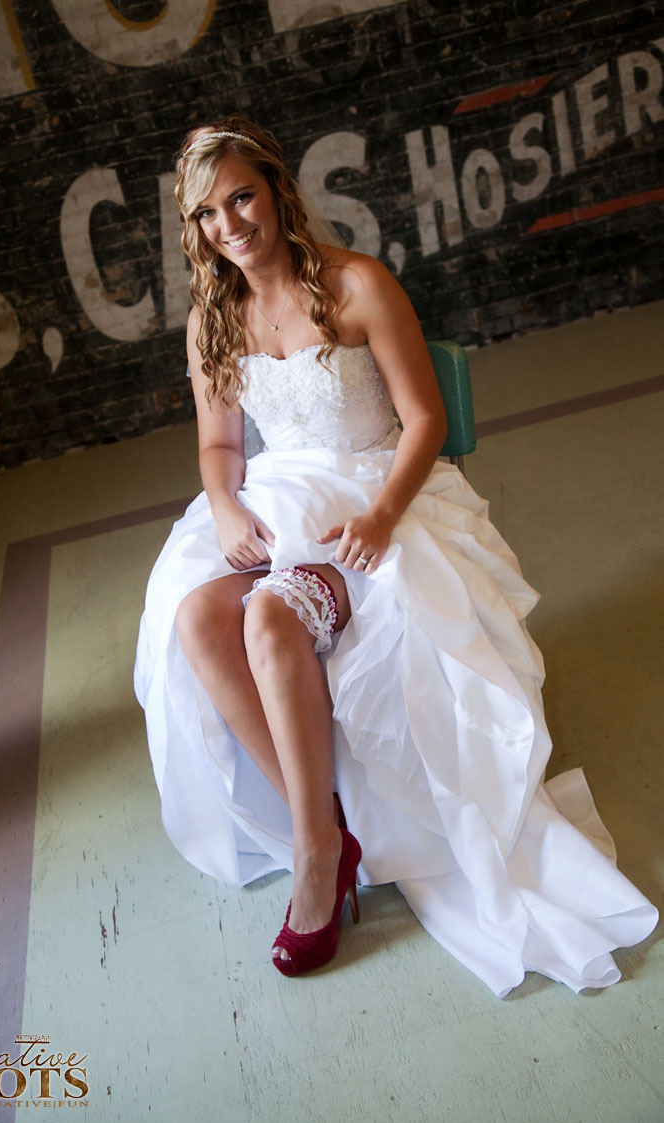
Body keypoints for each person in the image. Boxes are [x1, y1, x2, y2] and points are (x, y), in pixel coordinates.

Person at [134, 116, 657, 991]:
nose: (230, 224)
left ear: (276, 191)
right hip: (275, 498)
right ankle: (323, 824)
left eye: (242, 197)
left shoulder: (355, 284)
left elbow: (425, 420)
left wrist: (378, 518)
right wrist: (223, 507)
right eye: (208, 213)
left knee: (269, 618)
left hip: (376, 495)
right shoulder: (211, 322)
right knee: (194, 619)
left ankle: (315, 858)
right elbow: (220, 446)